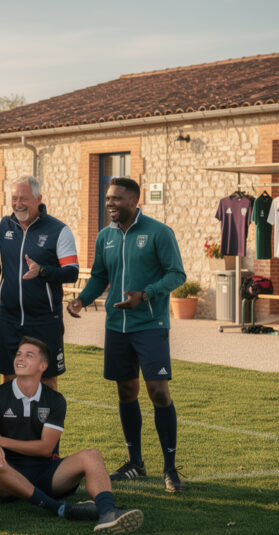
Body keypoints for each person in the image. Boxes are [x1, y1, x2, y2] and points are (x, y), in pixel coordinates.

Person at [67, 177, 188, 492]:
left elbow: (177, 274)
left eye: (117, 199)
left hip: (150, 325)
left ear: (135, 201)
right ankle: (135, 463)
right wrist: (83, 298)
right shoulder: (105, 236)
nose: (110, 204)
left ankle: (171, 469)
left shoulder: (159, 233)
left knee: (159, 392)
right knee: (126, 392)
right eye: (108, 198)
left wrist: (145, 295)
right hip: (116, 327)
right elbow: (99, 276)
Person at [0, 337, 143, 534]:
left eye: (29, 355)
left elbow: (45, 449)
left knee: (91, 455)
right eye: (18, 354)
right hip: (2, 479)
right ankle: (59, 508)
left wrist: (0, 441)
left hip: (43, 472)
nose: (20, 358)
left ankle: (108, 512)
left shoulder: (55, 400)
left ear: (42, 366)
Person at [0, 176, 79, 391]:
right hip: (9, 319)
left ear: (38, 199)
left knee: (47, 380)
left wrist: (42, 271)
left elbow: (72, 272)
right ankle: (9, 425)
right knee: (9, 378)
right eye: (14, 198)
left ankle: (46, 425)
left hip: (44, 321)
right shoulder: (3, 226)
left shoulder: (59, 230)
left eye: (24, 198)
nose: (18, 204)